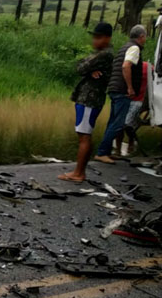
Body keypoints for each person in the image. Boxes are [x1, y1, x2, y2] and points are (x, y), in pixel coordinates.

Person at [59, 22, 114, 183]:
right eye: (94, 37)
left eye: (99, 37)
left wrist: (88, 68)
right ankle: (79, 171)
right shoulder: (101, 54)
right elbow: (80, 64)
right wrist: (89, 69)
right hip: (87, 99)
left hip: (90, 99)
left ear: (107, 38)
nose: (95, 41)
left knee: (84, 136)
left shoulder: (104, 55)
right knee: (84, 135)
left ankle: (79, 173)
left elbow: (81, 68)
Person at [95, 25, 147, 164]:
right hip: (122, 91)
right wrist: (130, 88)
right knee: (118, 124)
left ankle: (105, 152)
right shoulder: (134, 48)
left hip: (114, 88)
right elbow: (126, 66)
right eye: (145, 37)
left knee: (113, 122)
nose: (145, 40)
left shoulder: (125, 47)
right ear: (141, 37)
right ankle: (101, 153)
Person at [115, 61, 150, 155]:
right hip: (128, 99)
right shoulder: (127, 66)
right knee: (121, 125)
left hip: (138, 100)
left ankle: (130, 142)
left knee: (126, 123)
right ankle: (119, 149)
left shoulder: (147, 67)